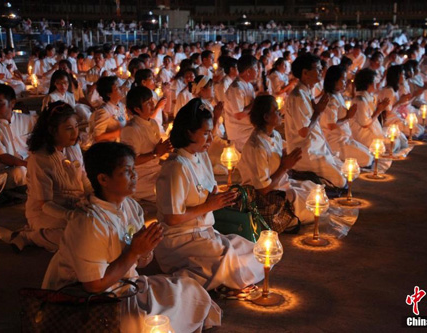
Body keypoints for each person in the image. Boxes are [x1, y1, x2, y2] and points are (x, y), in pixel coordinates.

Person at [42, 142, 221, 333]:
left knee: (190, 290)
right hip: (86, 301)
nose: (135, 176)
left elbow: (141, 262)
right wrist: (135, 251)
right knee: (151, 321)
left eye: (133, 169)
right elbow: (93, 285)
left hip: (125, 286)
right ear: (103, 179)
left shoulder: (131, 207)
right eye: (127, 172)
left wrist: (146, 249)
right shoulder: (88, 222)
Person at [154, 98, 264, 293]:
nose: (211, 139)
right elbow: (172, 218)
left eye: (210, 132)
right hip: (181, 240)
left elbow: (207, 193)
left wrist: (221, 197)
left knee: (253, 250)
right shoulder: (176, 167)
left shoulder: (201, 156)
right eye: (205, 134)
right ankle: (191, 276)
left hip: (206, 233)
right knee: (231, 261)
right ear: (188, 132)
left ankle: (214, 276)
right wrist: (209, 205)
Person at [0, 102, 90, 252]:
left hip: (75, 207)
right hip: (46, 213)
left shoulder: (73, 148)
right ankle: (30, 236)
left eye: (76, 127)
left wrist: (95, 197)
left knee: (101, 223)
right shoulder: (40, 158)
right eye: (68, 129)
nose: (75, 133)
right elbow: (44, 204)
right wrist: (70, 215)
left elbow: (83, 177)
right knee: (78, 238)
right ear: (53, 131)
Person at [238, 95, 319, 225]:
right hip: (264, 197)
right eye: (276, 110)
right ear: (266, 117)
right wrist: (284, 167)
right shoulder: (257, 146)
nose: (280, 112)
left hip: (280, 185)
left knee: (315, 189)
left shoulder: (274, 135)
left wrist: (285, 159)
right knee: (314, 207)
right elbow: (262, 190)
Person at [284, 54, 346, 188]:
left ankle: (313, 178)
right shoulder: (298, 96)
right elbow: (303, 132)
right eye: (317, 69)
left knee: (347, 171)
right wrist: (318, 111)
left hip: (316, 147)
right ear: (305, 73)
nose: (321, 72)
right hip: (306, 152)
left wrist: (317, 111)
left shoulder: (307, 92)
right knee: (341, 182)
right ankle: (303, 176)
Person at [121, 86, 172, 202]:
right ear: (137, 109)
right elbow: (131, 160)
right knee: (171, 190)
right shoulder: (131, 130)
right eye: (148, 103)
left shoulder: (152, 123)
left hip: (157, 169)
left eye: (151, 101)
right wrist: (155, 153)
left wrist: (165, 148)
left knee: (183, 176)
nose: (153, 105)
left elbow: (158, 149)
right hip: (141, 177)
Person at [320, 65, 373, 167]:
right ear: (334, 81)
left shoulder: (338, 95)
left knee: (370, 153)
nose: (345, 83)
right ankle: (338, 158)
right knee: (367, 159)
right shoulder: (331, 100)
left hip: (345, 139)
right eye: (343, 80)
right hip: (336, 142)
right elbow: (331, 126)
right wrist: (348, 117)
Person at [0, 84, 35, 190]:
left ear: (12, 103)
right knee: (20, 172)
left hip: (29, 164)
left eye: (0, 104)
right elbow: (1, 156)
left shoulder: (29, 120)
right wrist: (28, 165)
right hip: (4, 171)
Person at [223, 55, 258, 152]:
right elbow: (238, 115)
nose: (258, 71)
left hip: (249, 128)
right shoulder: (236, 88)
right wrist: (255, 103)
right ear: (248, 71)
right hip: (240, 133)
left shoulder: (249, 85)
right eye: (256, 68)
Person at [89, 76, 127, 143]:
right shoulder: (104, 111)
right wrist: (118, 133)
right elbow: (97, 137)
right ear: (109, 94)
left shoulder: (121, 106)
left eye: (119, 86)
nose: (121, 89)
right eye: (117, 88)